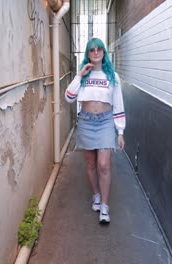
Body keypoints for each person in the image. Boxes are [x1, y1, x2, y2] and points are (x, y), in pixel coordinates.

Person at [64, 38, 125, 223]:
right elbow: (68, 97)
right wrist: (79, 76)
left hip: (106, 122)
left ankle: (104, 206)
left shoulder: (112, 76)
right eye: (92, 50)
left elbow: (118, 104)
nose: (96, 52)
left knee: (104, 165)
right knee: (90, 165)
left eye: (99, 49)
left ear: (104, 53)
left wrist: (120, 131)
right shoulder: (83, 75)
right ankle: (96, 195)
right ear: (88, 54)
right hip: (87, 122)